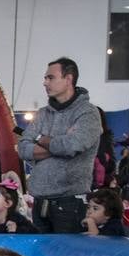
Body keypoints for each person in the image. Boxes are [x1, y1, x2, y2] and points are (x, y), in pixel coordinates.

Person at [16, 58, 102, 234]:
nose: (45, 82)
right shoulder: (42, 114)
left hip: (69, 204)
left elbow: (73, 145)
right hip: (40, 203)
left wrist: (42, 140)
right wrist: (58, 143)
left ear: (68, 79)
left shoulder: (88, 113)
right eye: (45, 78)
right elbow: (24, 148)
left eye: (50, 78)